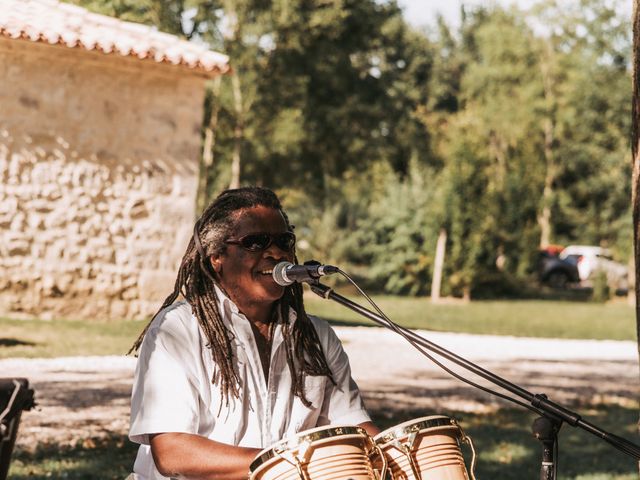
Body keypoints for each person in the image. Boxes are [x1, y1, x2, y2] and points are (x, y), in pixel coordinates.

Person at [128, 186, 378, 480]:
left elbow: (359, 432)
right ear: (217, 257)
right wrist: (288, 463)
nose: (275, 252)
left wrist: (407, 453)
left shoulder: (317, 338)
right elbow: (172, 452)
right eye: (255, 242)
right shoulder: (178, 330)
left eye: (283, 241)